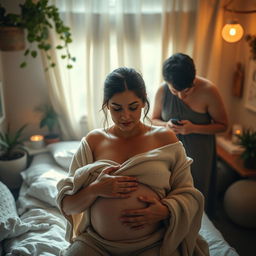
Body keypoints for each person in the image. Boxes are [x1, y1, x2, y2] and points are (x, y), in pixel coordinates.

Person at [56, 67, 209, 256]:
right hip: (97, 246)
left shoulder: (166, 139)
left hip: (153, 244)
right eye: (116, 108)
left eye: (133, 107)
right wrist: (96, 189)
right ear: (106, 104)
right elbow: (68, 206)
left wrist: (164, 210)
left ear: (144, 101)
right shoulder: (92, 142)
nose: (125, 116)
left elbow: (189, 195)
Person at [151, 53, 228, 215]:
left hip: (200, 154)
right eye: (174, 91)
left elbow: (223, 126)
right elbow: (153, 120)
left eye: (186, 90)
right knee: (170, 196)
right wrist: (166, 124)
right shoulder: (162, 91)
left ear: (193, 79)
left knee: (197, 195)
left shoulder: (209, 90)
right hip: (170, 154)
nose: (181, 96)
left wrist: (193, 128)